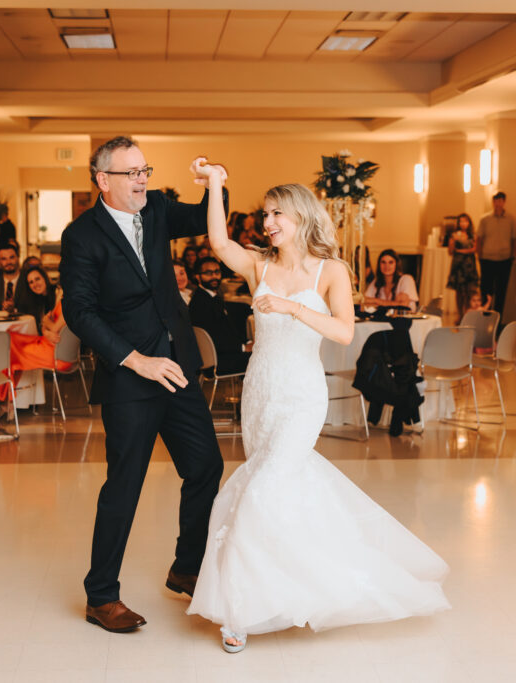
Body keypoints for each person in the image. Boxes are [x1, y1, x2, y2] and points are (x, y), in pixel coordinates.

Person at [185, 164, 449, 652]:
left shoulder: (332, 271)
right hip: (260, 391)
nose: (267, 222)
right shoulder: (259, 266)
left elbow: (345, 332)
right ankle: (288, 581)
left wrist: (293, 308)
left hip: (301, 394)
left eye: (276, 213)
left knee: (261, 489)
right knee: (278, 487)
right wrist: (219, 185)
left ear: (302, 216)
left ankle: (240, 611)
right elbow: (220, 244)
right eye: (265, 214)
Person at [59, 136, 225, 635]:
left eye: (144, 170)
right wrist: (136, 361)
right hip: (129, 376)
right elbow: (79, 312)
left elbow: (201, 220)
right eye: (131, 173)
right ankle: (101, 596)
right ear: (102, 180)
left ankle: (186, 567)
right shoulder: (81, 236)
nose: (142, 180)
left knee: (205, 467)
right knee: (124, 487)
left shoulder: (155, 211)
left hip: (177, 367)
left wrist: (216, 182)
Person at [1, 264, 72, 402]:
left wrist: (46, 325)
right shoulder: (42, 300)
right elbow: (47, 326)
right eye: (31, 282)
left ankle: (5, 400)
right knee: (9, 340)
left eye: (37, 279)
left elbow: (54, 327)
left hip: (58, 352)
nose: (35, 284)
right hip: (51, 344)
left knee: (10, 353)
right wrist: (46, 328)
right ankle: (7, 399)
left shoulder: (64, 299)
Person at [188, 256, 251, 375]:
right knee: (261, 357)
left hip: (222, 355)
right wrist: (243, 347)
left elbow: (228, 330)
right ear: (198, 277)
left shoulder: (210, 297)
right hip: (216, 360)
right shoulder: (200, 303)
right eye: (208, 273)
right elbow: (215, 337)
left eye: (217, 272)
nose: (214, 276)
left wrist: (246, 342)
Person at [476, 191, 516, 315]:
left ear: (504, 202)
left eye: (500, 201)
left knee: (501, 290)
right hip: (487, 258)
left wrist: (513, 256)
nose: (498, 204)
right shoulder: (485, 219)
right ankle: (486, 314)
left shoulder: (510, 219)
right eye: (495, 201)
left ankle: (498, 317)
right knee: (486, 289)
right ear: (493, 202)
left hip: (504, 259)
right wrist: (479, 255)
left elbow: (515, 239)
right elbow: (479, 238)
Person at [446, 212, 478, 316]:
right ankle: (460, 314)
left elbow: (474, 249)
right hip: (458, 265)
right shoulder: (454, 235)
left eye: (465, 221)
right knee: (459, 292)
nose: (463, 223)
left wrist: (460, 251)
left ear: (469, 222)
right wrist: (453, 241)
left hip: (469, 265)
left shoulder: (473, 235)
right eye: (461, 221)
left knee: (469, 291)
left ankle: (468, 314)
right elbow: (450, 251)